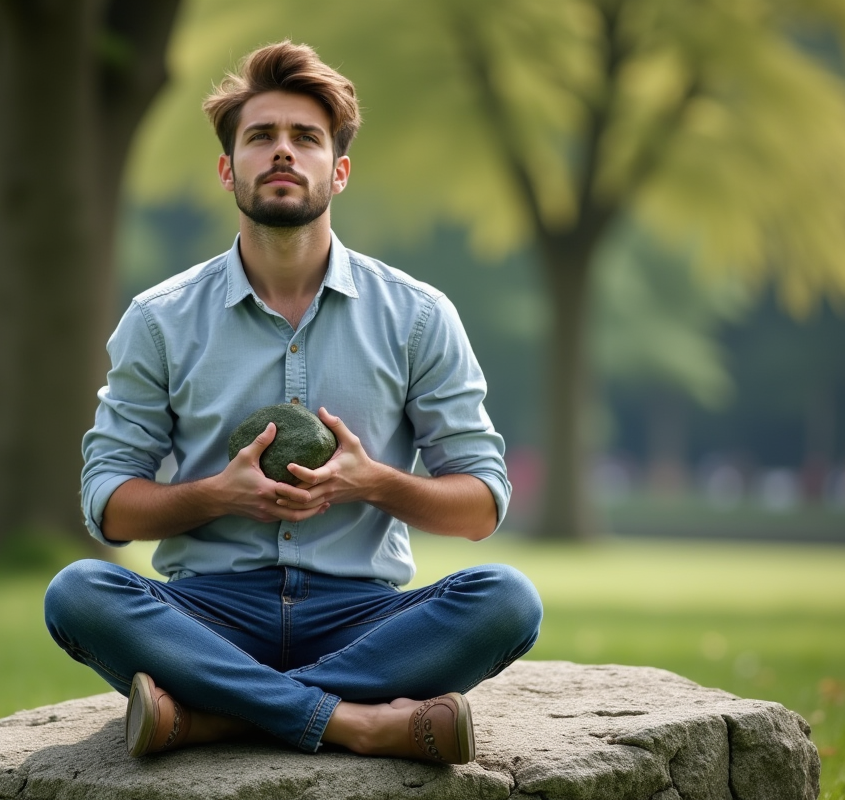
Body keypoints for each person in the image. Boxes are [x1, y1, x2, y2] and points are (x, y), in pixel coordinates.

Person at [44, 40, 542, 765]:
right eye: (261, 137)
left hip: (364, 615)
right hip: (208, 611)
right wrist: (218, 495)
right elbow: (108, 506)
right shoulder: (159, 319)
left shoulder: (418, 315)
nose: (283, 152)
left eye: (305, 138)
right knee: (77, 593)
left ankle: (218, 717)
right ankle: (358, 721)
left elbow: (482, 504)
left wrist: (371, 482)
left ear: (337, 171)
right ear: (227, 169)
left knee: (509, 601)